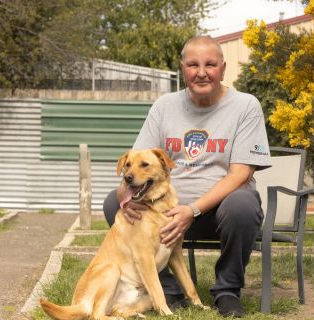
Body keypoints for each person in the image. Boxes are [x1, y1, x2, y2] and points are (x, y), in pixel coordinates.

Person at [103, 35, 271, 318]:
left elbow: (241, 174)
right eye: (193, 65)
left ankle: (227, 291)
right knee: (113, 202)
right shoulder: (164, 106)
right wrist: (125, 198)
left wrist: (191, 211)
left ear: (223, 67)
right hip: (165, 215)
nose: (202, 72)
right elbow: (136, 160)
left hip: (219, 215)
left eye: (210, 64)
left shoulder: (245, 106)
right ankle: (170, 290)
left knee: (242, 203)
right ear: (182, 68)